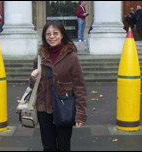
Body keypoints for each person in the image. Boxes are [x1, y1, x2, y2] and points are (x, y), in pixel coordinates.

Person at [30, 20, 87, 151]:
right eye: (48, 33)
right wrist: (33, 78)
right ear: (44, 36)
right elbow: (34, 87)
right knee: (48, 146)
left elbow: (80, 87)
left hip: (64, 108)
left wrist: (81, 114)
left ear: (62, 35)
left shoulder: (71, 57)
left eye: (55, 33)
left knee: (64, 146)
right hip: (44, 110)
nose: (52, 36)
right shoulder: (39, 58)